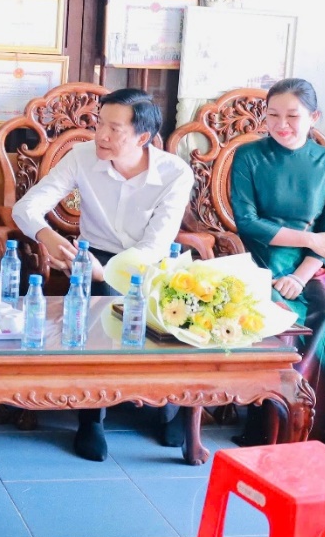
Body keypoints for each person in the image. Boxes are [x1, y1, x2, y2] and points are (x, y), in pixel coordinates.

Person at [12, 88, 194, 461]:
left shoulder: (175, 173)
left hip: (151, 262)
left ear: (142, 138)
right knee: (99, 300)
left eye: (114, 129)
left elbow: (156, 245)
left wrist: (109, 271)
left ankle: (172, 406)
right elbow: (26, 208)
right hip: (93, 254)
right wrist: (47, 235)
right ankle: (91, 417)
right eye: (99, 125)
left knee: (169, 302)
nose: (101, 136)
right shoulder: (82, 156)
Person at [230, 78, 325, 453]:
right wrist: (309, 241)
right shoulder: (248, 156)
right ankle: (271, 425)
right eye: (273, 115)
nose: (281, 124)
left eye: (292, 116)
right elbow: (247, 223)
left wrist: (301, 273)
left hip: (313, 267)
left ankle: (317, 430)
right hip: (261, 261)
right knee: (278, 311)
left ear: (314, 117)